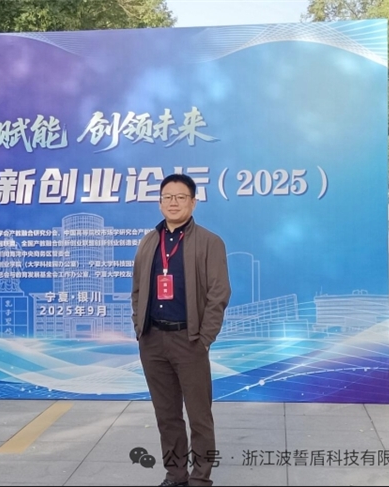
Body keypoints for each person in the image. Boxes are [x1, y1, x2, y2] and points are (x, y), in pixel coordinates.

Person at [132, 173, 231, 487]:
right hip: (152, 340)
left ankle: (200, 478)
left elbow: (219, 293)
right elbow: (137, 290)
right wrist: (140, 328)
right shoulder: (149, 241)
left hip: (190, 340)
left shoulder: (209, 242)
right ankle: (175, 475)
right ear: (160, 202)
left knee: (199, 416)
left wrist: (204, 339)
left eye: (180, 197)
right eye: (167, 197)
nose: (173, 203)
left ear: (193, 202)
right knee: (167, 415)